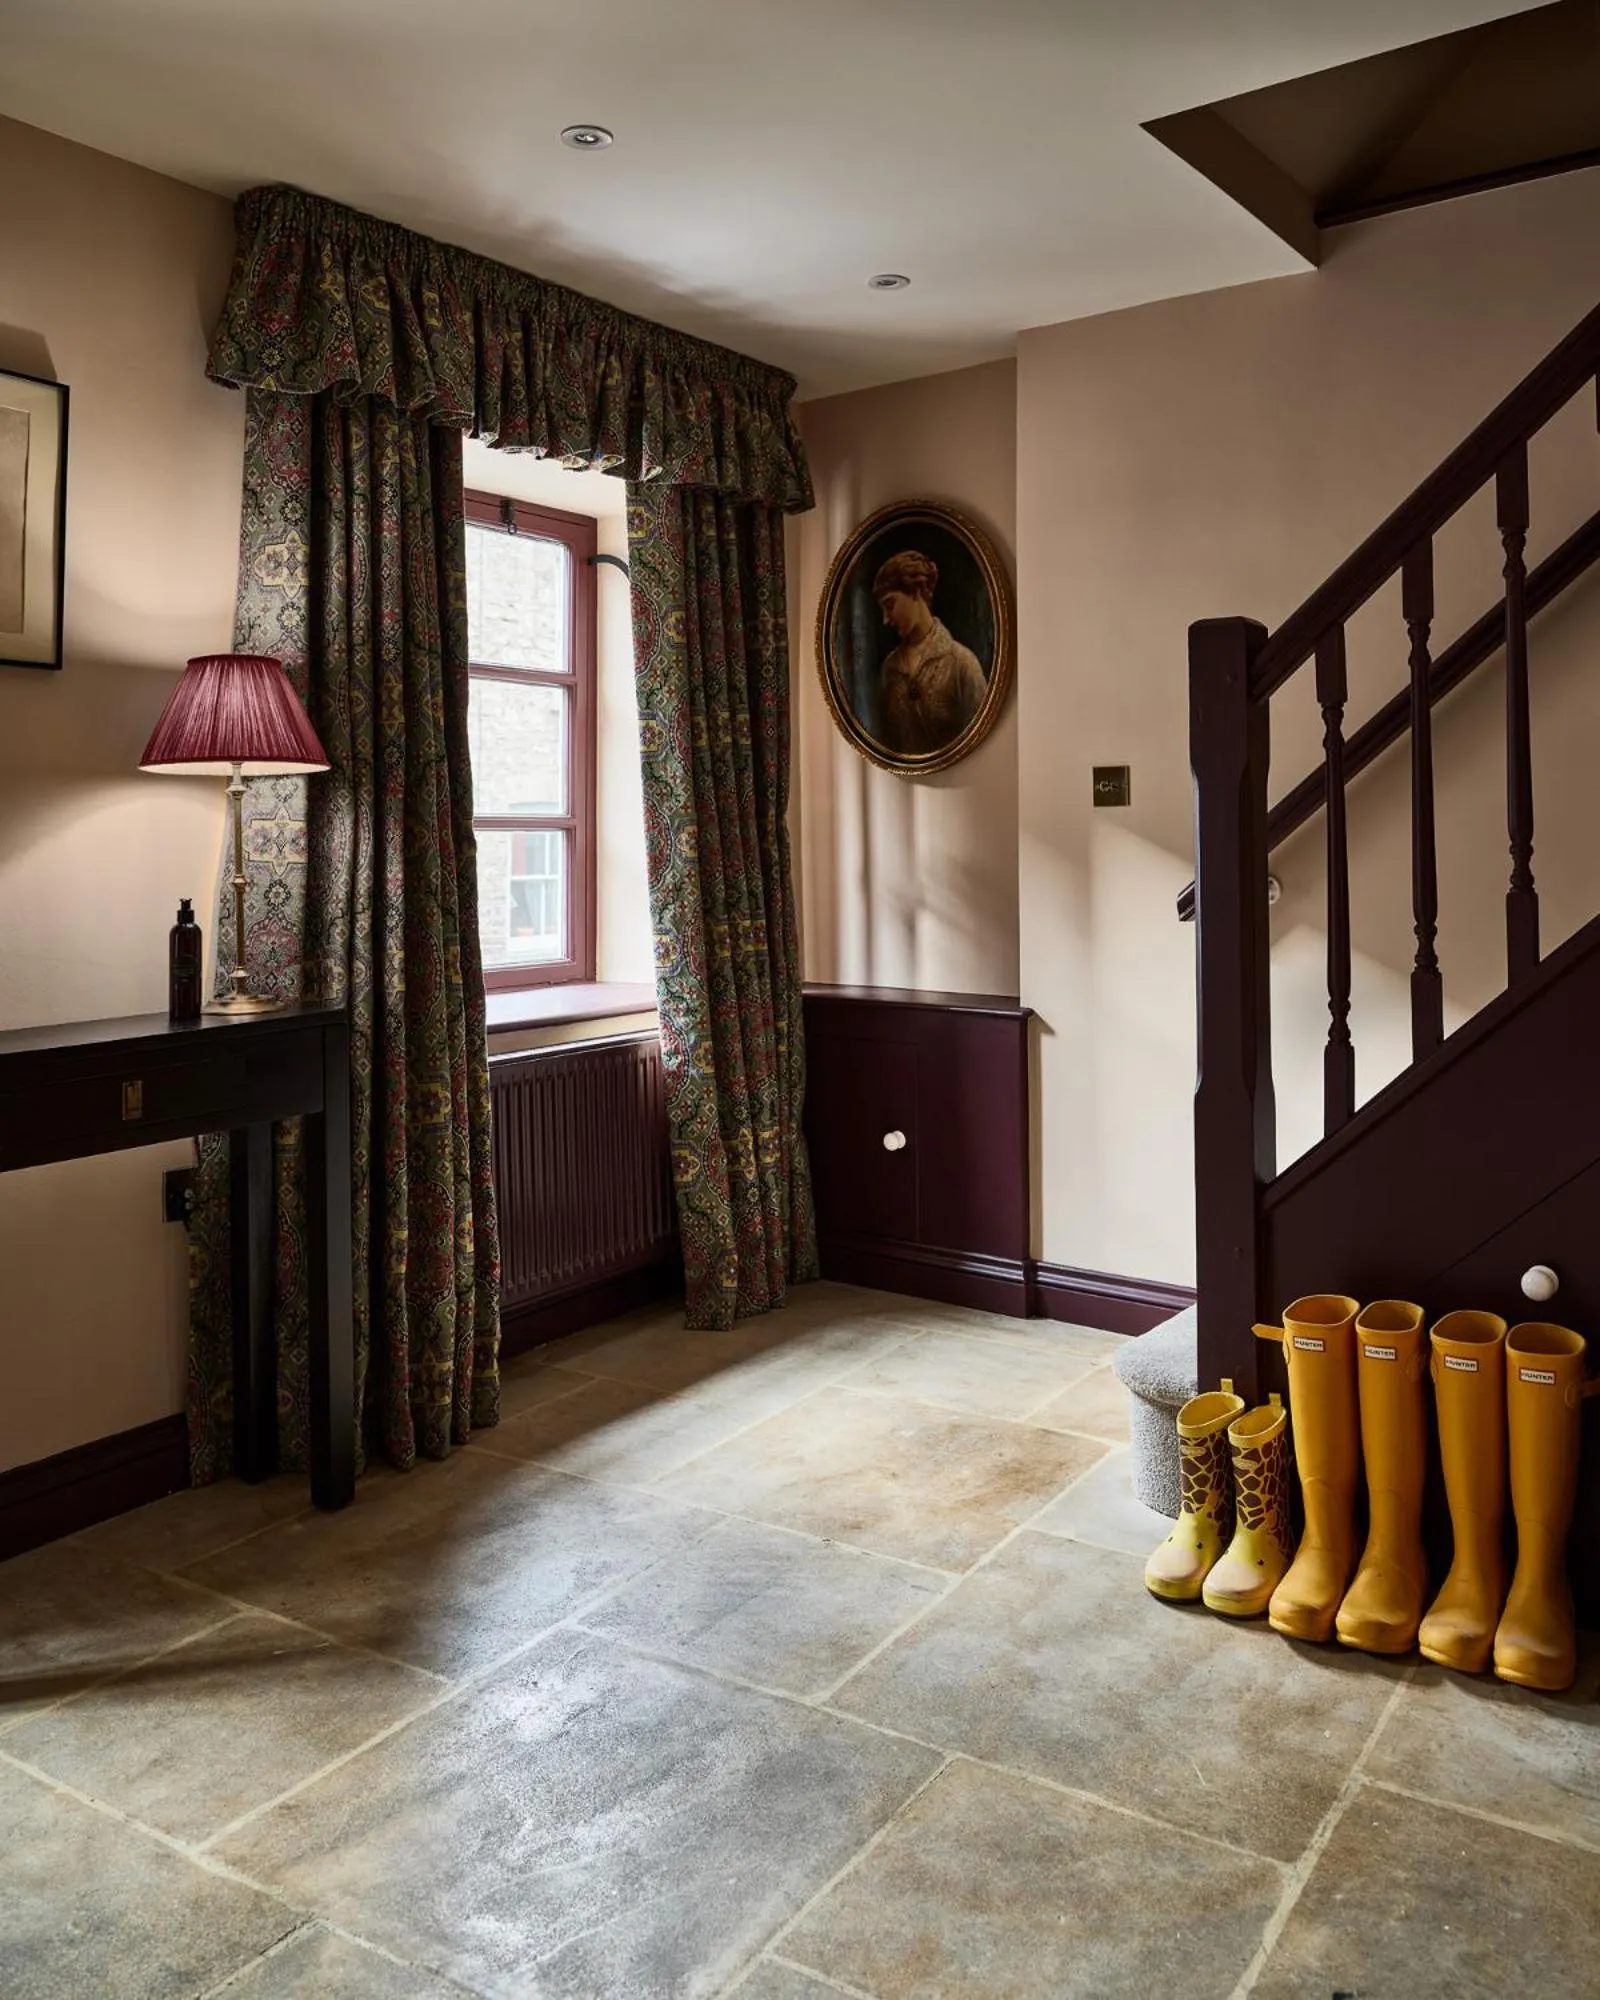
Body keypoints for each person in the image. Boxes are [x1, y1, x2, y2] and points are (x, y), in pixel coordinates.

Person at [871, 549, 987, 756]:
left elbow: (983, 743)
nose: (886, 619)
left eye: (890, 604)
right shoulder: (890, 668)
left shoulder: (962, 662)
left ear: (916, 591)